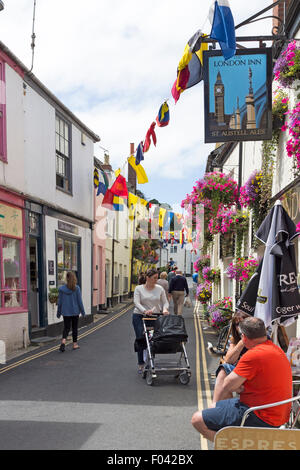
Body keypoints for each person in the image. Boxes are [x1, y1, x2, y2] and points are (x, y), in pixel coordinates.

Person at [191, 317, 293, 442]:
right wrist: (240, 386)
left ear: (244, 337)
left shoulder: (253, 355)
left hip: (259, 415)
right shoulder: (277, 350)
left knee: (197, 420)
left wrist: (239, 387)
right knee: (213, 407)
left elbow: (227, 385)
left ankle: (233, 445)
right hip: (279, 414)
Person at [133, 268, 169, 373]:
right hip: (139, 316)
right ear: (147, 278)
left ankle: (151, 361)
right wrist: (145, 311)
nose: (156, 280)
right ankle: (141, 363)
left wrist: (165, 309)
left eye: (157, 278)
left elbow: (165, 302)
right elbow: (136, 302)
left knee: (153, 339)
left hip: (154, 316)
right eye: (154, 278)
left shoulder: (160, 289)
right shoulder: (139, 289)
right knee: (141, 338)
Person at [211, 311, 249, 406]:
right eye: (237, 324)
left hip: (251, 373)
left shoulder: (258, 337)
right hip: (240, 372)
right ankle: (220, 408)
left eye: (243, 323)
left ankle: (216, 408)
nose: (240, 327)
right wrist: (241, 342)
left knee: (224, 375)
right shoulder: (235, 338)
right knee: (224, 370)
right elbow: (229, 360)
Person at [57, 271, 86, 352]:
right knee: (74, 328)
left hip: (65, 312)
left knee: (66, 328)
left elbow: (60, 302)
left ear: (67, 278)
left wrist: (58, 313)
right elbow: (80, 301)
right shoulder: (77, 288)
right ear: (74, 278)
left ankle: (63, 342)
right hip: (75, 312)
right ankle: (75, 344)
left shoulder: (61, 289)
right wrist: (83, 312)